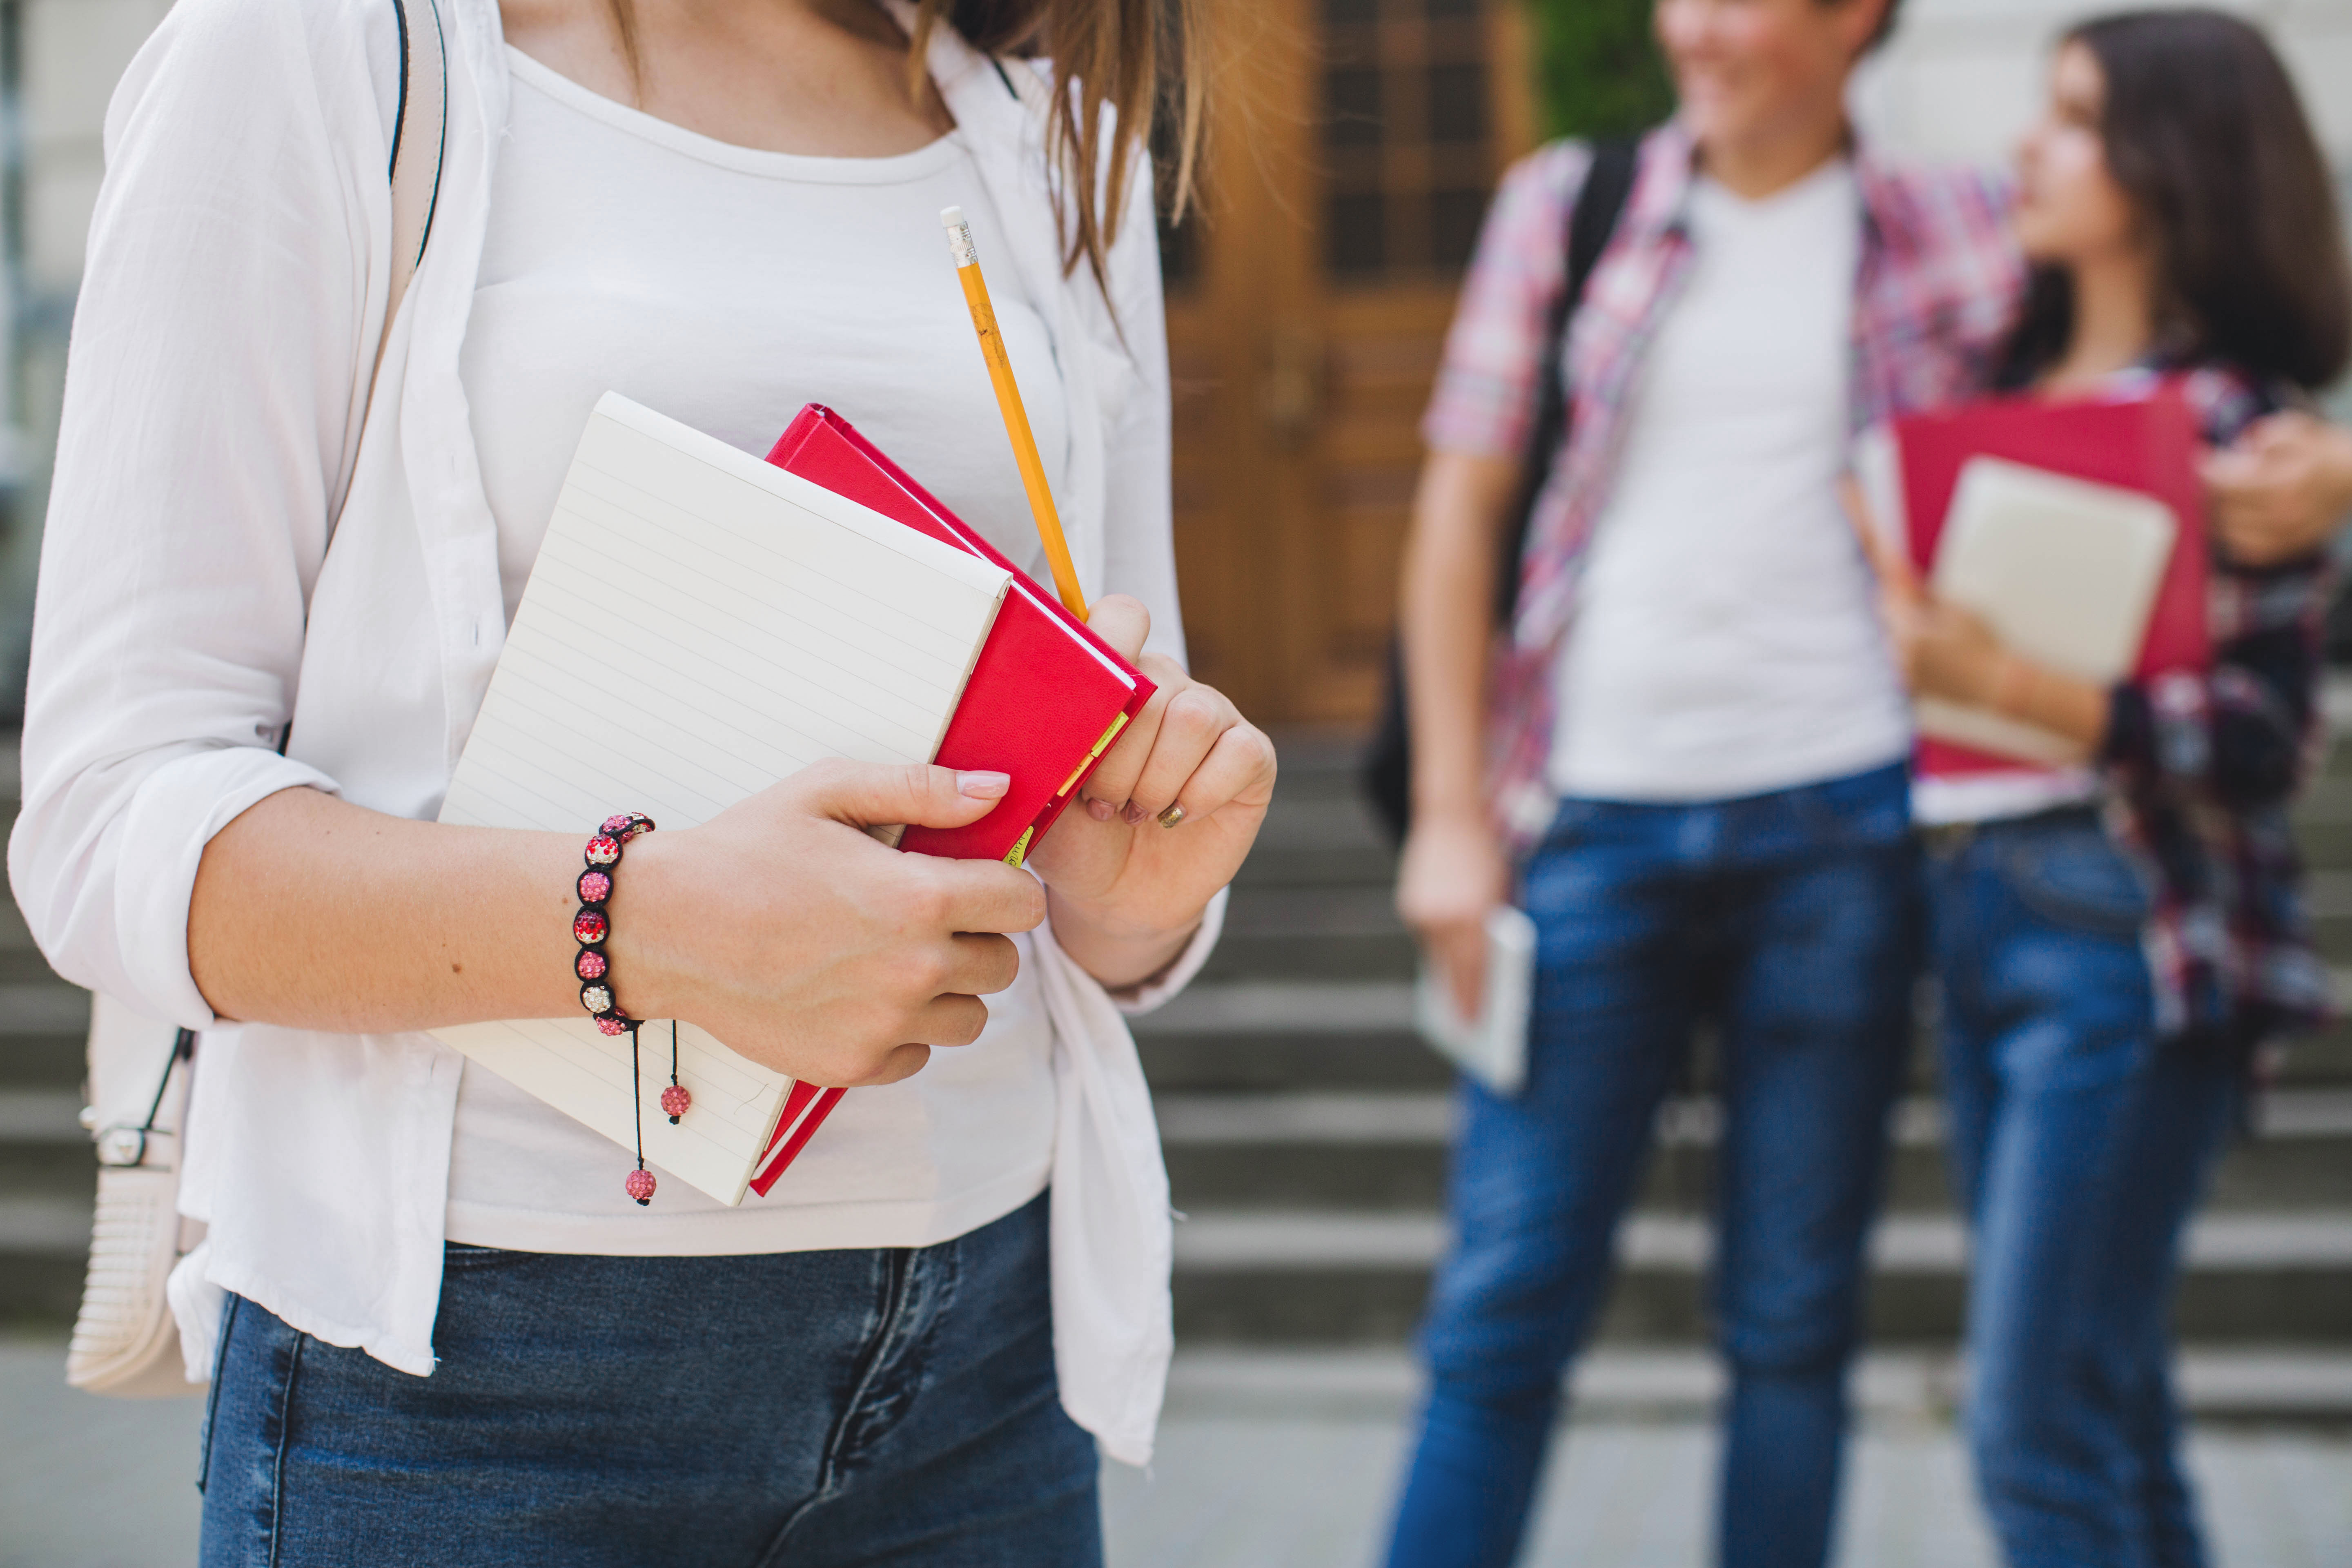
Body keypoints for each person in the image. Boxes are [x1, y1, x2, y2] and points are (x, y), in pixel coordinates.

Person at [9, 0, 1271, 1561]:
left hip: (987, 1350)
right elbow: (109, 819)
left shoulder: (1039, 130)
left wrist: (1127, 891)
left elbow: (1105, 856)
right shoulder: (322, 51)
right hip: (479, 1382)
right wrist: (647, 918)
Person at [1382, 1, 2352, 1565]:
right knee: (1500, 1309)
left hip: (1848, 835)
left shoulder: (1970, 229)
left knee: (1796, 1325)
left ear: (1852, 20)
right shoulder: (1570, 205)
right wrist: (1446, 816)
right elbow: (1458, 508)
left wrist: (2340, 466)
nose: (1687, 25)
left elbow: (2207, 306)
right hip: (1589, 824)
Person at [1867, 13, 2347, 1564]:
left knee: (2030, 1433)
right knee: (2110, 1404)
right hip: (1976, 899)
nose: (2028, 147)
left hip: (2126, 921)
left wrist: (2005, 683)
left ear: (2168, 163)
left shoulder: (2238, 430)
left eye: (2072, 121)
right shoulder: (1986, 369)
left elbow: (2265, 741)